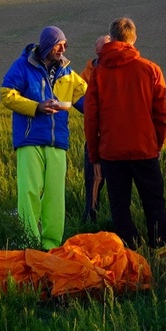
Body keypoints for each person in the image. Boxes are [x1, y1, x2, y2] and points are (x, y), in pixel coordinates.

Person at [82, 17, 166, 246]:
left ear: (111, 38)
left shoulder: (99, 74)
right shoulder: (151, 70)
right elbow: (160, 115)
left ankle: (129, 250)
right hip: (144, 150)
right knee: (154, 203)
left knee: (119, 206)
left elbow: (91, 119)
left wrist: (94, 155)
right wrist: (157, 144)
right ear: (134, 38)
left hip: (111, 153)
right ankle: (160, 248)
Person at [0, 25, 87, 250]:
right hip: (29, 139)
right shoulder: (23, 66)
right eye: (59, 44)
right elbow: (7, 95)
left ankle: (51, 245)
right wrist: (36, 107)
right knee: (29, 191)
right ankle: (29, 241)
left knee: (55, 195)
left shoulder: (67, 72)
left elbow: (87, 99)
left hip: (58, 140)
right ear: (47, 45)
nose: (63, 49)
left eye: (65, 45)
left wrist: (108, 110)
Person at [75, 34, 109, 223]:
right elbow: (79, 100)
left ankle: (110, 220)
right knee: (93, 179)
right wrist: (92, 109)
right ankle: (90, 219)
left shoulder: (115, 69)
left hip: (113, 135)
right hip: (95, 134)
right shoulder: (86, 73)